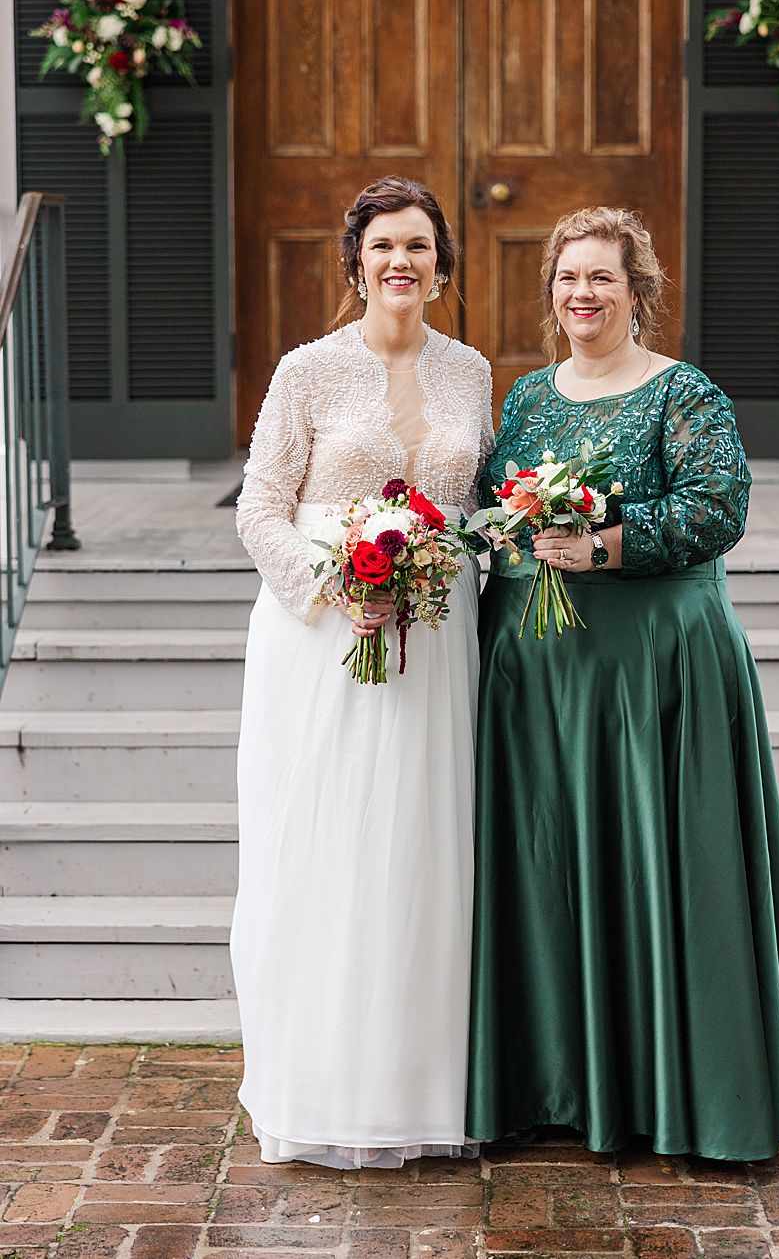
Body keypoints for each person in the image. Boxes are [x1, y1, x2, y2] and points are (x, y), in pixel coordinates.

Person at [466, 205, 779, 1158]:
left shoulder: (684, 393)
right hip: (541, 681)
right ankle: (558, 1086)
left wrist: (606, 544)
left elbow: (718, 506)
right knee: (550, 874)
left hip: (653, 670)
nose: (582, 295)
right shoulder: (528, 398)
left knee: (668, 870)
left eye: (602, 278)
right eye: (568, 278)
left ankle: (682, 1094)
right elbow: (495, 503)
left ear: (638, 292)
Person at [232, 176, 490, 1167]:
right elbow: (260, 508)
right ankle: (322, 1083)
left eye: (419, 247)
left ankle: (420, 1086)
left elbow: (467, 506)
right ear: (355, 262)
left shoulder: (470, 373)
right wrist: (332, 587)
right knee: (328, 847)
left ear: (441, 264)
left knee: (424, 852)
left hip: (436, 638)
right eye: (384, 246)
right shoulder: (306, 373)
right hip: (322, 643)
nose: (401, 263)